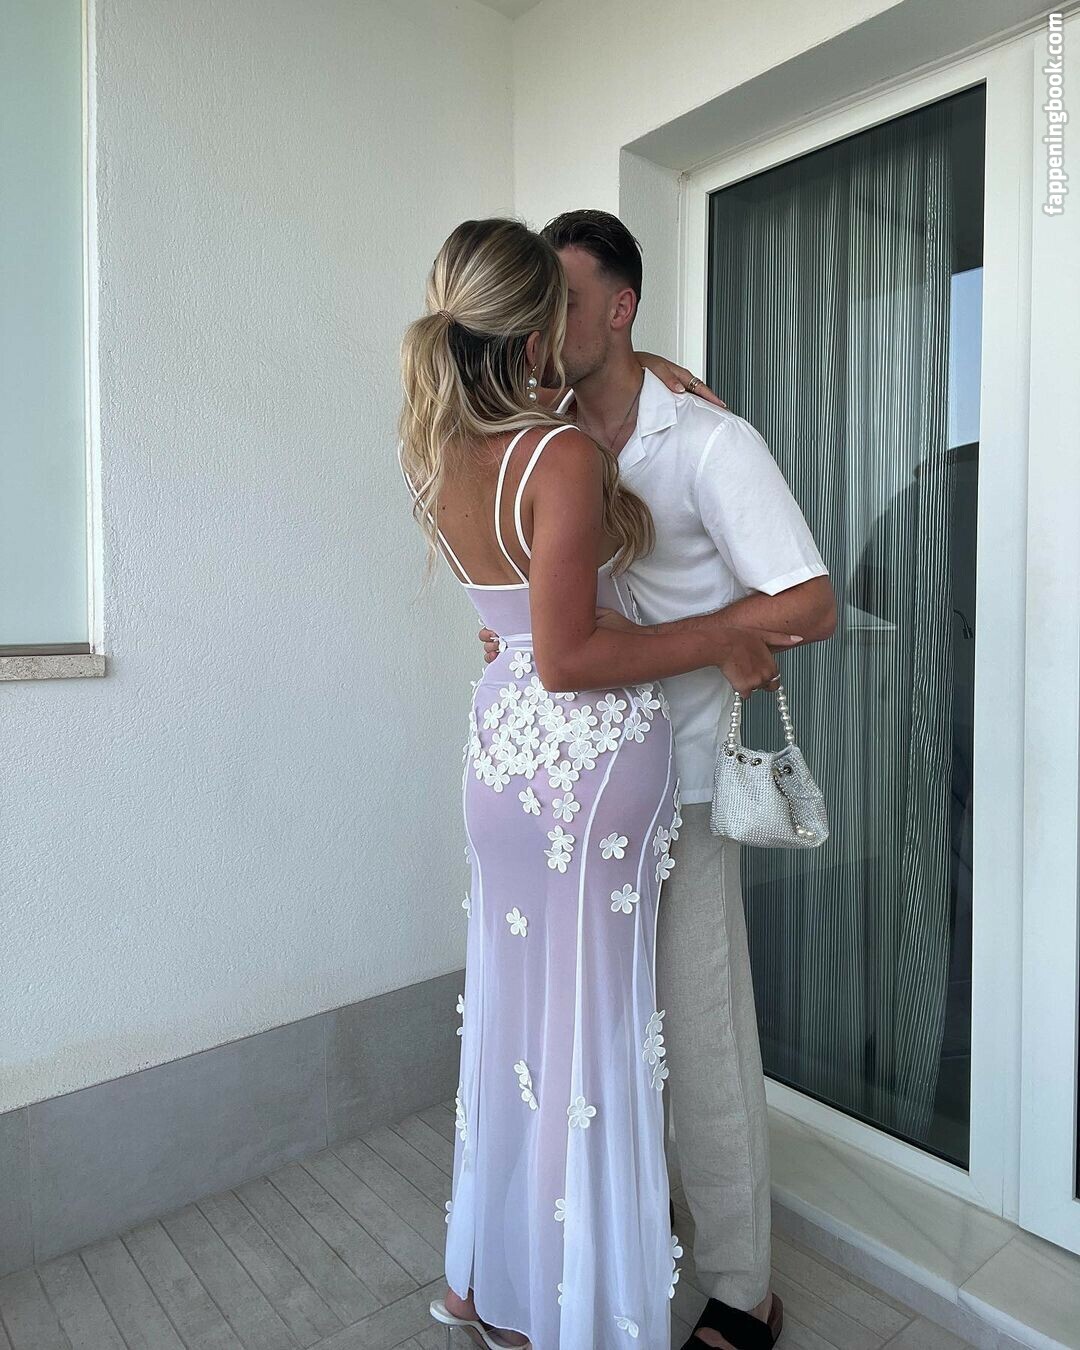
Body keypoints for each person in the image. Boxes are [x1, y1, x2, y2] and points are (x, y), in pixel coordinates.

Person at [398, 217, 802, 1350]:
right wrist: (722, 635)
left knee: (527, 1019)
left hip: (506, 761)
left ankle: (503, 1278)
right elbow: (569, 653)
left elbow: (527, 629)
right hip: (589, 769)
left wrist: (654, 373)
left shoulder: (447, 448)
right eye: (555, 307)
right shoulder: (558, 452)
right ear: (536, 328)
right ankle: (581, 1290)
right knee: (601, 1033)